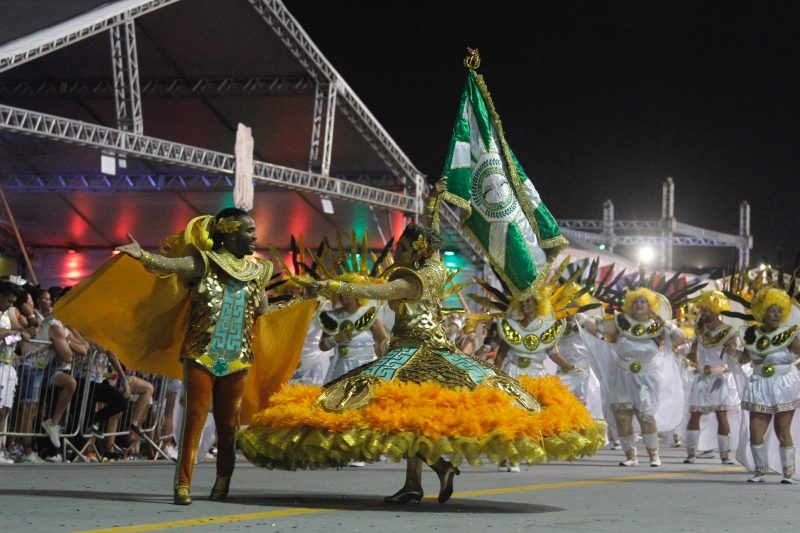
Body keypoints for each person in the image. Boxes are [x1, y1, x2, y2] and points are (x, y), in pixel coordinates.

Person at [238, 181, 604, 504]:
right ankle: (417, 482)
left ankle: (436, 469)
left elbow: (379, 290)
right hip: (418, 349)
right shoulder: (434, 266)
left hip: (419, 351)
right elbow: (432, 235)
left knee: (401, 413)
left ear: (416, 251)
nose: (397, 252)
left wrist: (331, 285)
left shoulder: (415, 279)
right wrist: (434, 203)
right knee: (410, 417)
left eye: (403, 248)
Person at [112, 208, 272, 503]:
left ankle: (222, 482)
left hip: (238, 358)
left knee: (228, 427)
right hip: (202, 354)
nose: (255, 236)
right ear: (229, 231)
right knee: (194, 419)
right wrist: (143, 256)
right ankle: (183, 484)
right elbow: (168, 264)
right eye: (249, 231)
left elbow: (262, 312)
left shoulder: (259, 272)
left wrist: (298, 309)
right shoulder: (203, 263)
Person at [602, 288, 686, 467]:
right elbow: (598, 328)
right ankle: (631, 456)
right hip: (623, 375)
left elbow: (679, 339)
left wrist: (664, 323)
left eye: (643, 301)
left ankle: (654, 455)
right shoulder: (621, 322)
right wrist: (579, 317)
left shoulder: (657, 326)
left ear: (651, 306)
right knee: (622, 415)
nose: (639, 304)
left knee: (646, 416)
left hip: (647, 378)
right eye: (636, 301)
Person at [736, 287, 800, 483]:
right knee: (756, 430)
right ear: (762, 311)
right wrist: (732, 353)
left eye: (779, 310)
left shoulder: (789, 335)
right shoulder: (750, 334)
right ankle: (760, 471)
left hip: (783, 385)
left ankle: (788, 473)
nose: (776, 314)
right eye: (772, 310)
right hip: (759, 384)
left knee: (782, 430)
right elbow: (744, 359)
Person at [682, 291, 740, 465]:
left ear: (717, 309)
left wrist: (730, 352)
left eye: (707, 309)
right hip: (702, 378)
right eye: (703, 309)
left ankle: (725, 455)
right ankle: (691, 454)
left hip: (720, 378)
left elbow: (734, 355)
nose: (703, 312)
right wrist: (692, 359)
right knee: (695, 413)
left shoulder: (729, 332)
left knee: (721, 415)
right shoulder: (700, 331)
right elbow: (692, 353)